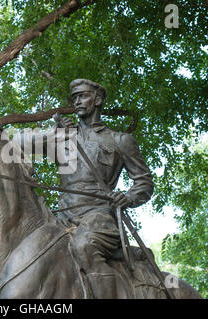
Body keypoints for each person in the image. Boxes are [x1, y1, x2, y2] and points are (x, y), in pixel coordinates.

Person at [48, 79, 154, 298]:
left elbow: (144, 183)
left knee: (84, 246)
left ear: (97, 100)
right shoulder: (62, 136)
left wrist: (127, 197)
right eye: (74, 97)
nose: (77, 101)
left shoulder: (120, 140)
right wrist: (54, 131)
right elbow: (23, 147)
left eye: (83, 96)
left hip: (98, 215)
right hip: (61, 214)